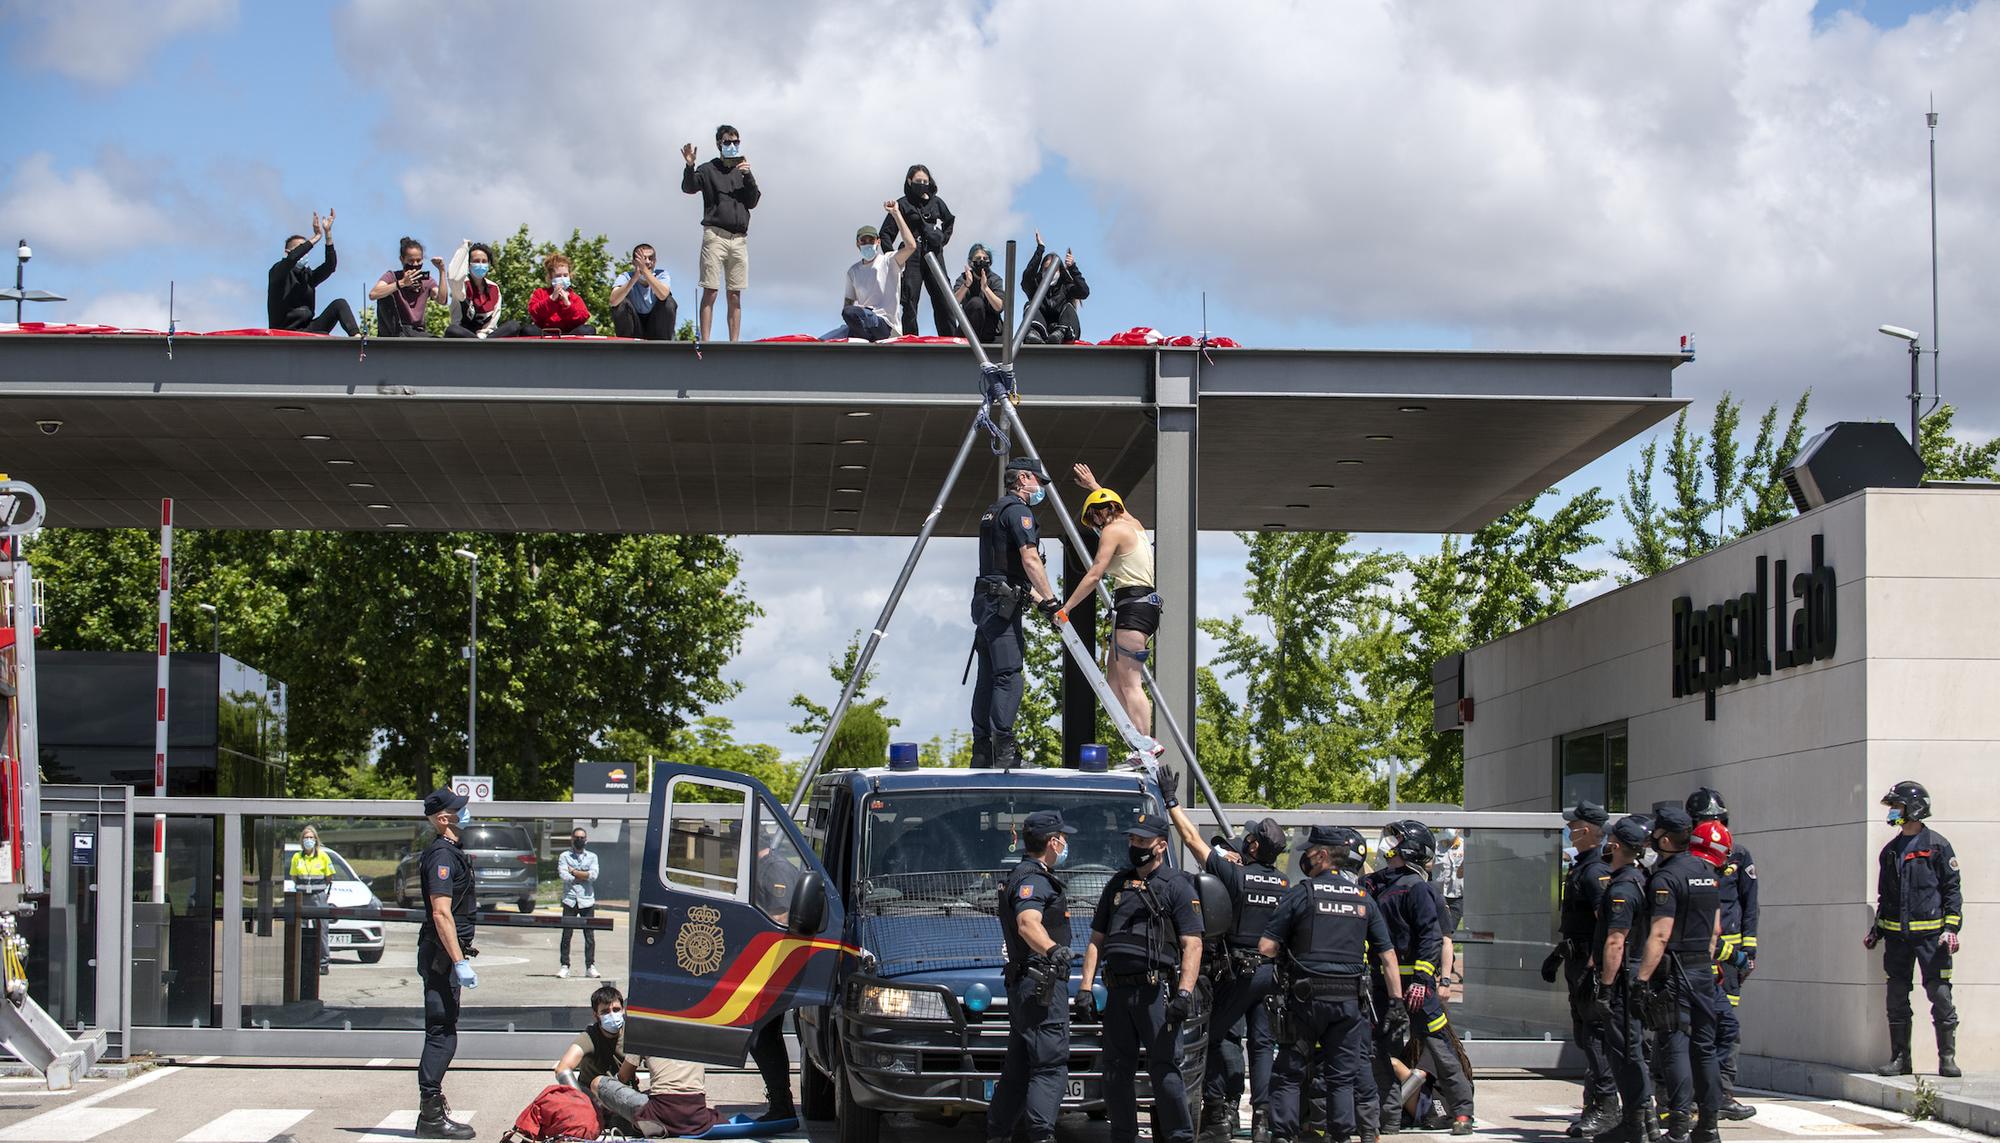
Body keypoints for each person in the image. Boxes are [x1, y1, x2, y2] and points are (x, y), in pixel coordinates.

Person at [1261, 825, 1403, 1143]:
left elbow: (1266, 947)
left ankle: (1283, 1136)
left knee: (1289, 1072)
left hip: (1305, 1002)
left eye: (1310, 853)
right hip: (1349, 1004)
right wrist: (1396, 1003)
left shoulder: (1302, 893)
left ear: (1323, 855)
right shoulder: (1363, 898)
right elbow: (1387, 955)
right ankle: (1341, 1137)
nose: (1306, 858)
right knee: (1342, 1077)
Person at [1164, 788, 1287, 1143]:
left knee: (1213, 1036)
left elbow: (1191, 840)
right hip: (1271, 974)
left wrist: (1172, 802)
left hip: (1238, 973)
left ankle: (1218, 1114)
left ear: (1253, 846)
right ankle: (1262, 1120)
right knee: (1262, 1044)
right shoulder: (1285, 884)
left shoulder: (1237, 876)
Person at [1079, 811, 1205, 1143]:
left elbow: (1193, 944)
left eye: (1142, 840)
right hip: (1118, 993)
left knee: (1165, 1070)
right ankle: (1123, 1136)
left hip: (1156, 993)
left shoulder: (1177, 886)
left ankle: (1179, 1138)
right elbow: (1096, 940)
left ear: (1161, 845)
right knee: (1115, 1071)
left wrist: (1184, 993)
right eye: (1132, 839)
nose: (1135, 845)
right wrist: (1085, 988)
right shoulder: (1117, 884)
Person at [1366, 820, 1475, 1135]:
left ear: (1411, 848)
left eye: (1396, 839)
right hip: (1383, 985)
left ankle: (1463, 1113)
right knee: (1381, 1051)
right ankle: (1389, 1119)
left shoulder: (1418, 888)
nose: (1388, 844)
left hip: (1416, 988)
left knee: (1439, 1048)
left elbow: (1431, 936)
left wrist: (1422, 979)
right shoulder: (1379, 883)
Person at [1633, 804, 1723, 1143]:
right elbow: (1715, 930)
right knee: (1705, 1047)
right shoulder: (1706, 871)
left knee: (1675, 1046)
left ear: (1667, 839)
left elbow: (1660, 934)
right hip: (1702, 970)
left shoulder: (1666, 878)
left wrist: (1641, 979)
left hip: (1676, 972)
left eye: (1656, 833)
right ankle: (1709, 1126)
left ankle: (1679, 1126)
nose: (1652, 838)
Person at [988, 809, 1078, 1143]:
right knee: (1049, 1066)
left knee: (1019, 1067)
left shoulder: (1021, 875)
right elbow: (1027, 923)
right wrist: (1053, 950)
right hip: (1041, 985)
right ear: (1053, 842)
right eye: (1062, 838)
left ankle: (998, 1135)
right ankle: (1041, 1136)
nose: (1065, 843)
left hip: (1027, 985)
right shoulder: (1034, 880)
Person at [1865, 780, 1962, 1078]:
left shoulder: (1938, 847)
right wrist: (1877, 930)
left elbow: (1952, 891)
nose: (1893, 812)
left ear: (1915, 809)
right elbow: (1885, 896)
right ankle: (1900, 1060)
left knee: (1940, 995)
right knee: (1896, 997)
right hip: (1897, 938)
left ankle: (1947, 1059)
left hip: (1933, 939)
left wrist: (1951, 927)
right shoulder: (1890, 851)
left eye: (1898, 806)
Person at [970, 457, 1060, 770]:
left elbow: (1004, 574)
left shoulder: (993, 511)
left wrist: (1039, 603)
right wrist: (1051, 600)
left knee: (987, 676)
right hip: (1001, 609)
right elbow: (1029, 559)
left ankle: (982, 751)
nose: (1041, 488)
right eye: (1038, 481)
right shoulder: (1019, 512)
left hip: (987, 603)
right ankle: (1005, 753)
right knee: (1009, 676)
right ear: (1023, 478)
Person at [1065, 464, 1161, 740]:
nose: (1096, 524)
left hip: (1133, 606)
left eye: (1094, 518)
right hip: (1141, 606)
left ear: (1100, 513)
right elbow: (1115, 504)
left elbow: (1095, 574)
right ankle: (1136, 740)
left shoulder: (1112, 530)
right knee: (1113, 681)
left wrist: (1066, 608)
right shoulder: (1134, 524)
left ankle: (1146, 742)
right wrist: (1094, 485)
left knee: (1130, 682)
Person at [1545, 802, 1617, 1140]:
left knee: (1595, 1035)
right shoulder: (1583, 867)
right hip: (1578, 961)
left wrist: (1595, 967)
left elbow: (1609, 924)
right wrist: (1559, 955)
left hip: (1589, 965)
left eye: (1572, 827)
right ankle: (1594, 1104)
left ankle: (1607, 1107)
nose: (1568, 832)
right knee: (1585, 1036)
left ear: (1586, 830)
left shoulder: (1594, 872)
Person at [1685, 789, 1757, 1118]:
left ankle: (1723, 1092)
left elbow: (1750, 904)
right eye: (1705, 821)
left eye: (1717, 820)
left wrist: (1748, 950)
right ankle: (1692, 1094)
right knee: (1697, 1027)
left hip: (1728, 955)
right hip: (1698, 954)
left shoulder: (1738, 855)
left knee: (1727, 1026)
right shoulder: (1686, 861)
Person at [415, 788, 479, 1139]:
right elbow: (441, 913)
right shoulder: (441, 854)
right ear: (443, 818)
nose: (465, 813)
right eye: (459, 809)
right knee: (441, 1033)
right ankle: (431, 1116)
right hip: (442, 957)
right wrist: (458, 961)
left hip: (446, 956)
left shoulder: (451, 851)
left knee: (444, 1030)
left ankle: (431, 1113)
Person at [1589, 815, 1655, 1143]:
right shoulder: (1639, 879)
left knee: (1627, 1052)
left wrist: (1605, 987)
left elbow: (1616, 941)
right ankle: (1644, 1121)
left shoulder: (1624, 887)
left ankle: (1636, 1123)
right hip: (1632, 975)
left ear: (1615, 845)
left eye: (1609, 839)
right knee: (1631, 1049)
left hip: (1624, 981)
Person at [681, 124, 760, 342]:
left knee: (735, 293)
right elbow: (689, 187)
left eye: (736, 142)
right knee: (711, 290)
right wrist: (690, 165)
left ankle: (734, 343)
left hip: (739, 239)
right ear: (719, 144)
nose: (732, 146)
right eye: (728, 142)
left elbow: (753, 201)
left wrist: (748, 175)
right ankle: (705, 341)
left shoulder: (742, 170)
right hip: (715, 235)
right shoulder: (708, 169)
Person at [747, 818, 801, 1122]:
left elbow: (780, 916)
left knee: (763, 1035)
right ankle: (780, 1103)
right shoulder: (763, 868)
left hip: (775, 964)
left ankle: (781, 1105)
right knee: (763, 1035)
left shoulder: (775, 869)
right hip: (768, 964)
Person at [821, 203, 920, 342]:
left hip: (884, 325)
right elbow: (848, 305)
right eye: (863, 241)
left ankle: (865, 336)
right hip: (862, 322)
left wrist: (896, 213)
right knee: (825, 338)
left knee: (855, 314)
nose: (867, 244)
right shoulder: (853, 272)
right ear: (857, 244)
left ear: (878, 241)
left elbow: (911, 246)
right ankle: (862, 338)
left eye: (871, 240)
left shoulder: (889, 261)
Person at [878, 164, 956, 335]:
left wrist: (941, 240)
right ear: (909, 181)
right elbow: (885, 234)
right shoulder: (902, 204)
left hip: (934, 253)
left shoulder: (936, 202)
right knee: (910, 299)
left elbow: (949, 220)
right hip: (911, 255)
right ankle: (910, 339)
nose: (922, 184)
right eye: (918, 181)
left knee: (944, 296)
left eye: (925, 181)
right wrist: (893, 259)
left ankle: (950, 338)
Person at [267, 210, 356, 335]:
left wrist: (327, 233)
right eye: (302, 249)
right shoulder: (278, 272)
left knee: (339, 304)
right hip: (283, 332)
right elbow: (292, 259)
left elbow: (330, 266)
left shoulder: (308, 276)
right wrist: (316, 238)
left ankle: (358, 338)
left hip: (307, 330)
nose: (305, 254)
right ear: (287, 252)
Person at [443, 241, 532, 339]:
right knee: (452, 330)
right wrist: (464, 249)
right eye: (476, 261)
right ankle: (479, 344)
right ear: (468, 265)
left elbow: (492, 323)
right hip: (463, 335)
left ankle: (482, 345)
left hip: (487, 338)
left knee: (513, 326)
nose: (480, 264)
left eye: (484, 261)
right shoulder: (462, 285)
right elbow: (453, 278)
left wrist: (482, 337)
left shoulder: (494, 288)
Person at [555, 983, 628, 1094]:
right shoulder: (590, 1037)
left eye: (616, 1009)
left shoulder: (632, 1034)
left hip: (625, 1093)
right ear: (596, 1015)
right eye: (605, 1012)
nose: (612, 1015)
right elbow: (562, 1069)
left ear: (623, 1010)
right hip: (594, 1095)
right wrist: (579, 1099)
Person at [1019, 231, 1089, 344]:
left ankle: (1060, 333)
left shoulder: (1065, 287)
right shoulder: (1036, 287)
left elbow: (1084, 292)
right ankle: (1034, 332)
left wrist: (1072, 268)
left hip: (1062, 331)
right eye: (1046, 269)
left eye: (1053, 270)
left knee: (1069, 307)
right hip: (1041, 330)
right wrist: (1040, 249)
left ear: (1060, 272)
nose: (1050, 274)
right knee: (1029, 304)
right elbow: (1026, 279)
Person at [370, 237, 446, 337]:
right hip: (394, 330)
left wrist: (442, 271)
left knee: (437, 340)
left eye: (418, 261)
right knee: (384, 295)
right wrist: (401, 283)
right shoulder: (392, 276)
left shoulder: (427, 281)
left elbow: (442, 300)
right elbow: (373, 294)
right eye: (411, 261)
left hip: (414, 332)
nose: (415, 264)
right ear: (402, 260)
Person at [289, 825, 335, 976]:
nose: (308, 840)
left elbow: (329, 877)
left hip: (318, 896)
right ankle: (300, 960)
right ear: (302, 840)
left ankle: (323, 963)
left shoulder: (323, 856)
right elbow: (294, 876)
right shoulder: (297, 857)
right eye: (306, 837)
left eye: (311, 837)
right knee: (300, 930)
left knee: (322, 929)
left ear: (316, 840)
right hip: (301, 896)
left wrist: (318, 888)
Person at [610, 243, 678, 341]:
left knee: (669, 302)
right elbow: (613, 301)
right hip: (634, 327)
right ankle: (626, 344)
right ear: (634, 262)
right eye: (643, 259)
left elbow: (663, 295)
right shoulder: (625, 277)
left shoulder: (662, 275)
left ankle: (662, 345)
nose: (647, 262)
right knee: (621, 304)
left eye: (651, 258)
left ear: (655, 261)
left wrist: (645, 271)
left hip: (656, 326)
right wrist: (634, 279)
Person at [557, 826, 600, 979]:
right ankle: (565, 965)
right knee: (567, 934)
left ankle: (590, 966)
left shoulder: (592, 857)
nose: (579, 840)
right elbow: (564, 875)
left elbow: (593, 876)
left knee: (589, 935)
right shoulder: (564, 856)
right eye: (577, 837)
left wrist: (574, 872)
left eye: (582, 838)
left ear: (586, 840)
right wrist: (583, 875)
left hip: (587, 900)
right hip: (570, 899)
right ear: (572, 839)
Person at [527, 253, 594, 335]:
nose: (562, 279)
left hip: (569, 335)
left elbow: (583, 318)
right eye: (558, 276)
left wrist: (568, 304)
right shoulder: (540, 293)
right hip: (545, 334)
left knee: (589, 329)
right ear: (551, 277)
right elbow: (534, 313)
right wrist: (551, 299)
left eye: (565, 275)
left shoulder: (575, 297)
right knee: (528, 329)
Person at [954, 243, 1006, 344]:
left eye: (985, 258)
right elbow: (953, 303)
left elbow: (999, 307)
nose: (981, 261)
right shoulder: (964, 278)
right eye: (978, 258)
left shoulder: (995, 279)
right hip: (968, 332)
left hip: (990, 333)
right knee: (976, 303)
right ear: (971, 261)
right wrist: (966, 285)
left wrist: (985, 288)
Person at [1432, 829, 1466, 933]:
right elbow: (1428, 865)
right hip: (1439, 895)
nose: (1448, 829)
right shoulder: (1437, 846)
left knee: (1449, 931)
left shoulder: (1465, 846)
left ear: (1459, 830)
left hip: (1458, 896)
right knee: (1436, 930)